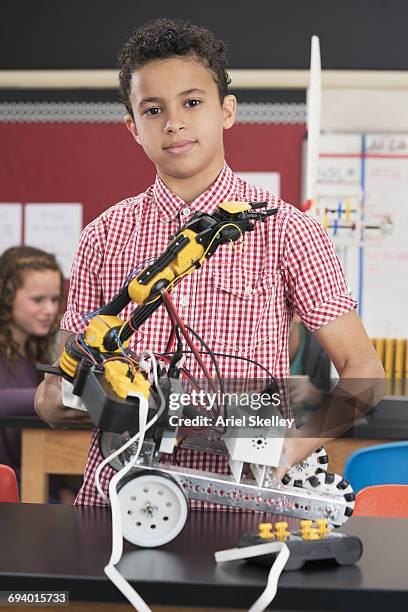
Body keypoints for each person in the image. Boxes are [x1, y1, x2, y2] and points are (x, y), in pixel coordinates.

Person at [34, 18, 384, 507]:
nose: (174, 122)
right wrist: (75, 399)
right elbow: (55, 395)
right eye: (153, 110)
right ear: (133, 128)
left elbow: (364, 371)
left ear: (227, 111)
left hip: (240, 508)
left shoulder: (285, 229)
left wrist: (292, 447)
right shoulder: (103, 236)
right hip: (118, 505)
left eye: (192, 103)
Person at [0, 246, 63, 474]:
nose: (50, 309)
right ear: (6, 297)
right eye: (38, 300)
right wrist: (53, 392)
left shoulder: (36, 355)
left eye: (55, 299)